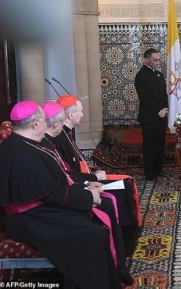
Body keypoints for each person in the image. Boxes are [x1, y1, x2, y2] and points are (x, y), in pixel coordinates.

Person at [0, 101, 121, 288]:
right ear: (35, 123)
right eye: (43, 120)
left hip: (37, 212)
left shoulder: (24, 144)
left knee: (89, 225)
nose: (46, 124)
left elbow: (54, 186)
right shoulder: (22, 154)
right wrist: (89, 198)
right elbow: (54, 193)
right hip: (26, 218)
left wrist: (85, 193)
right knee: (92, 235)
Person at [41, 101, 134, 285]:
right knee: (107, 204)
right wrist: (87, 187)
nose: (83, 115)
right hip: (57, 204)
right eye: (81, 111)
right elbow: (55, 184)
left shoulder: (48, 141)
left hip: (73, 188)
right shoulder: (44, 143)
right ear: (57, 123)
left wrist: (87, 180)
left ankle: (121, 256)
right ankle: (116, 264)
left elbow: (66, 171)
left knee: (124, 186)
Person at [53, 94, 140, 257]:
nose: (83, 115)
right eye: (81, 111)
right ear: (71, 115)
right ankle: (125, 241)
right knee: (123, 187)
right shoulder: (59, 139)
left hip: (86, 177)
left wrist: (92, 173)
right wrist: (94, 178)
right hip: (82, 183)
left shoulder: (67, 134)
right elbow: (68, 172)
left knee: (127, 182)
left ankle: (128, 236)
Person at [134, 48, 169, 181]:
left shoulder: (159, 75)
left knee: (160, 144)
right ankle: (150, 173)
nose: (157, 62)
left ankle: (158, 169)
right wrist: (157, 111)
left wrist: (165, 108)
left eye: (158, 59)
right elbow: (144, 98)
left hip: (161, 117)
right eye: (155, 60)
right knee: (150, 146)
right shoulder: (141, 75)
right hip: (149, 117)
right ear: (147, 59)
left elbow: (163, 95)